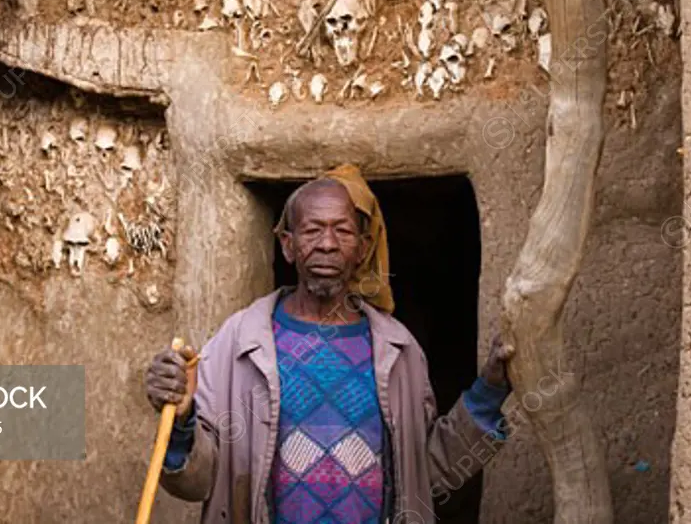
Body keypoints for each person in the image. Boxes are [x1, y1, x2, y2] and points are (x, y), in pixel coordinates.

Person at [145, 166, 513, 524]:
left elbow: (426, 470)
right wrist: (180, 420)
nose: (327, 244)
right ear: (288, 246)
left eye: (343, 231)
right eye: (312, 230)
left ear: (363, 247)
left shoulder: (399, 351)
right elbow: (200, 480)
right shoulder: (238, 342)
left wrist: (490, 391)